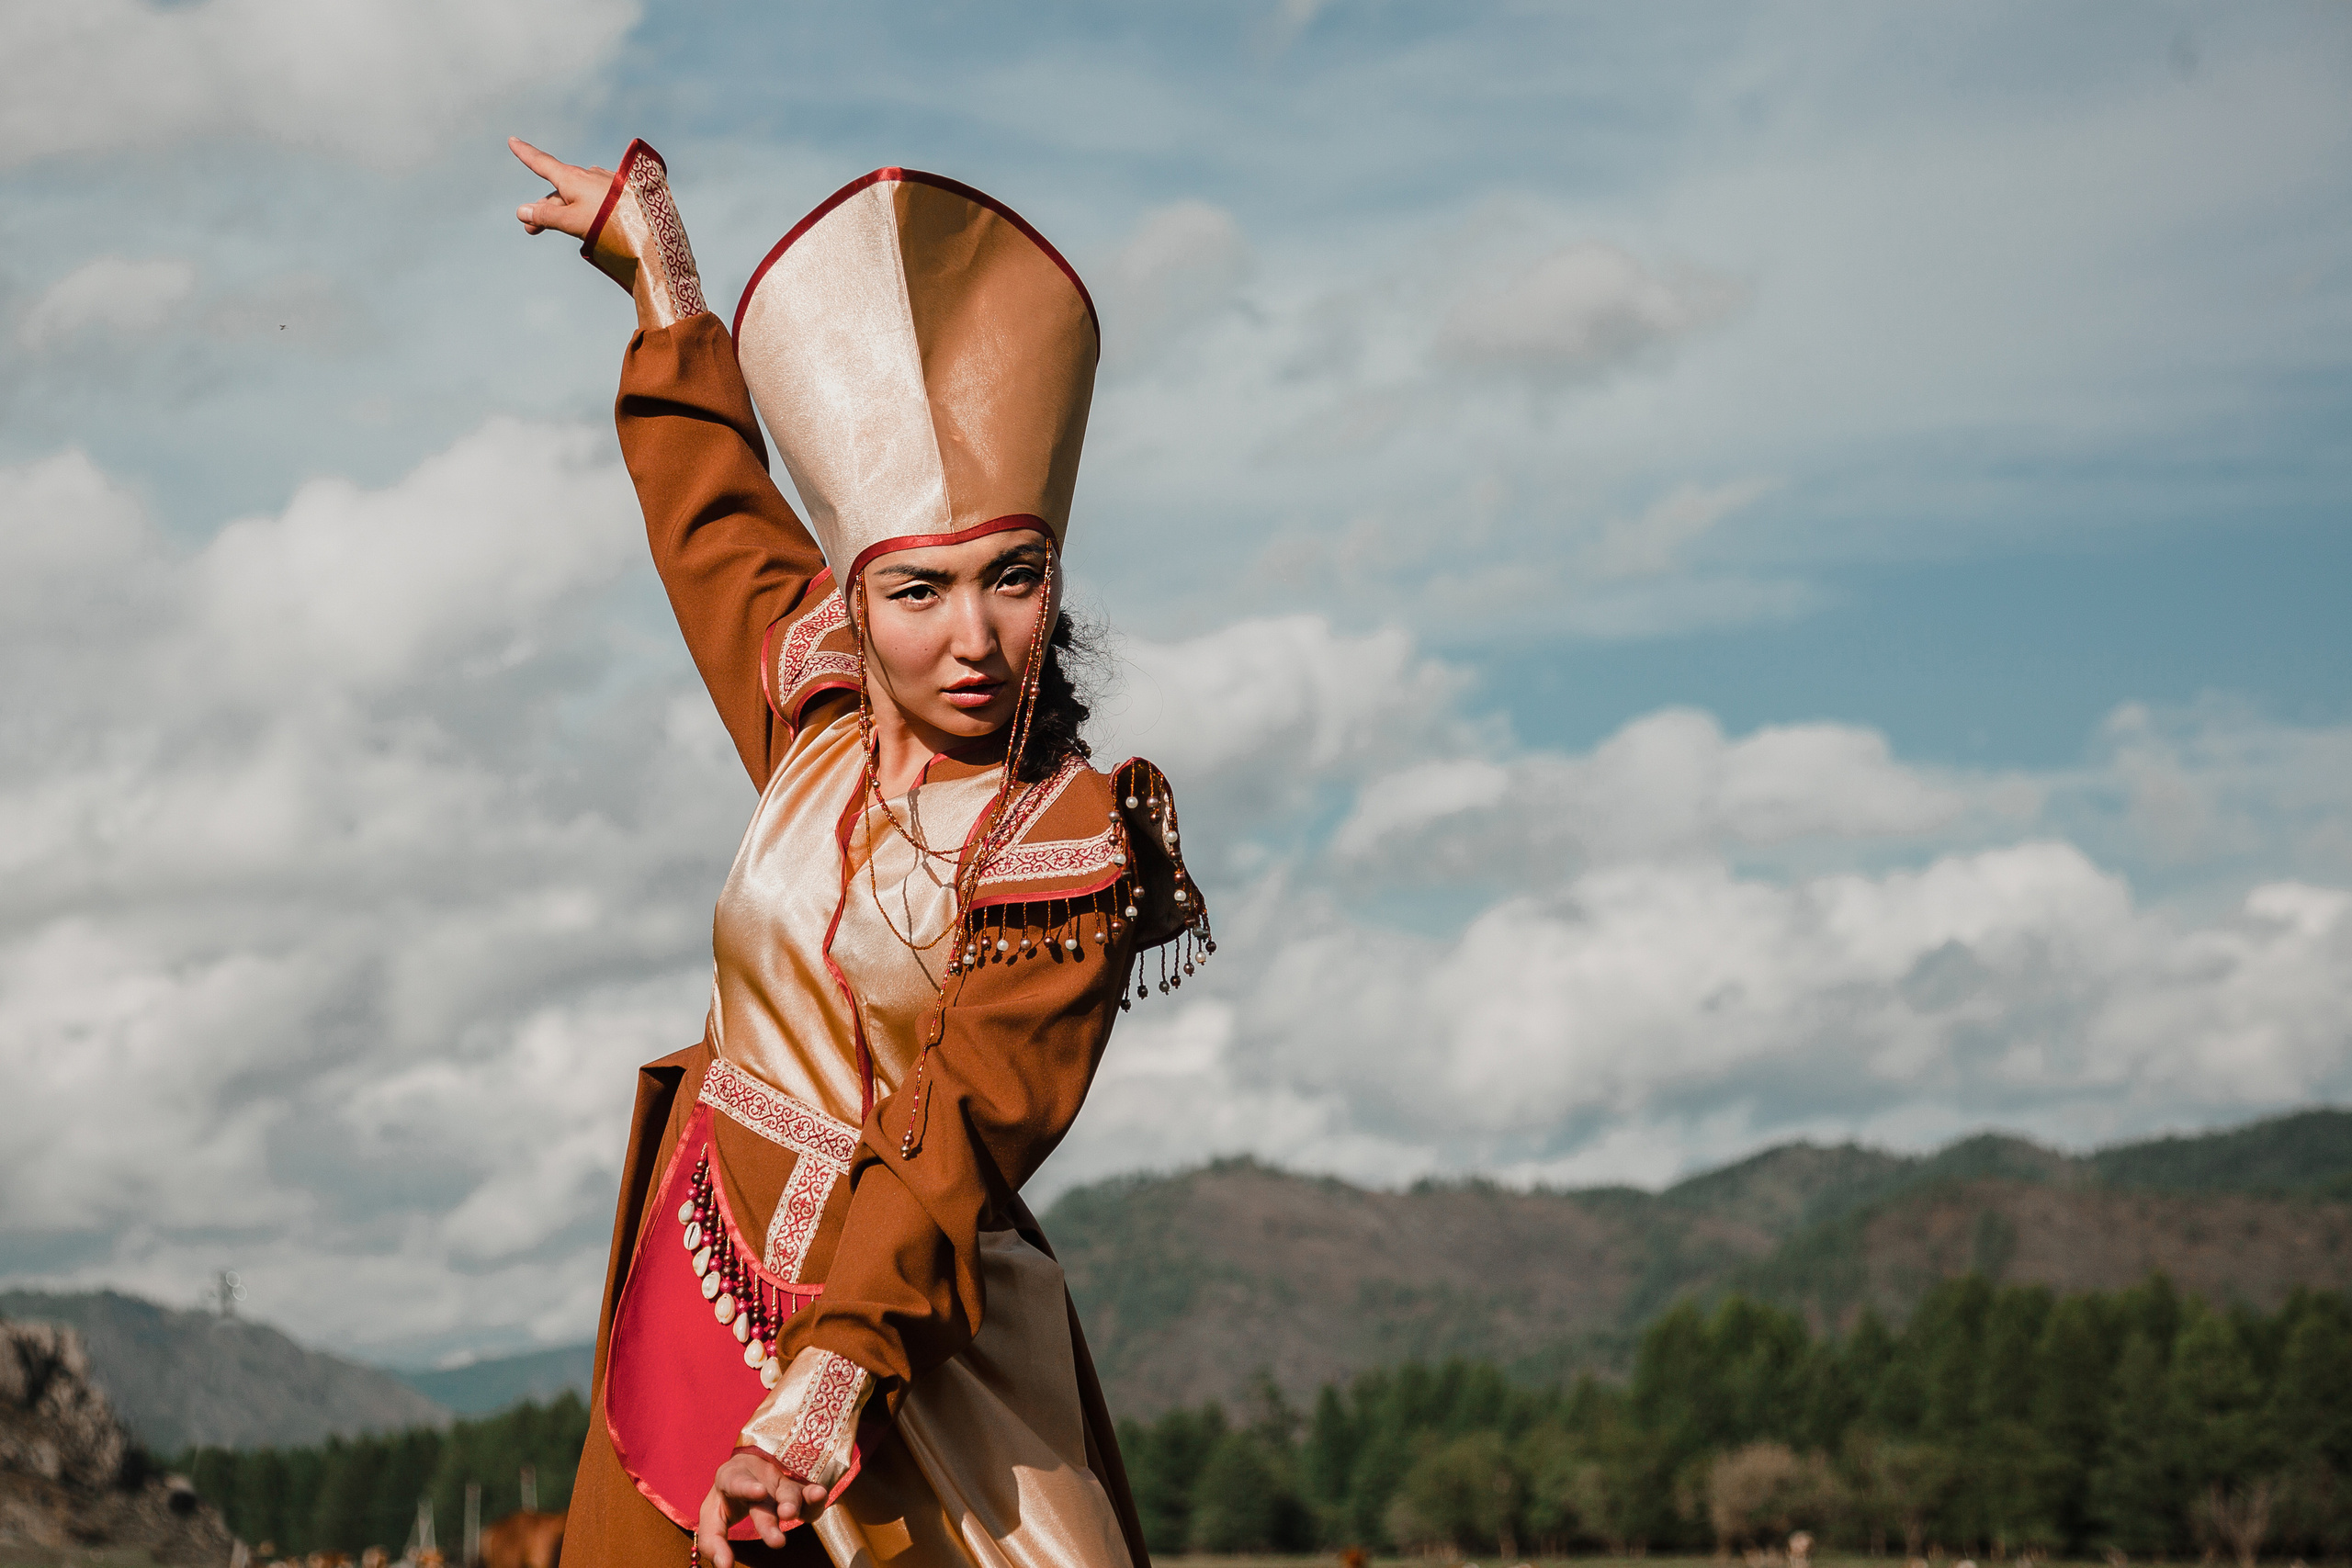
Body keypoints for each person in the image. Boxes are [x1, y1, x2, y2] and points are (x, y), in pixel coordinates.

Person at [508, 136, 1212, 1568]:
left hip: (919, 1331)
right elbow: (717, 523)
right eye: (918, 590)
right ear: (855, 592)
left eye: (1014, 578)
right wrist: (659, 272)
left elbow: (954, 1150)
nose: (972, 638)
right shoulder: (814, 723)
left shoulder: (1063, 845)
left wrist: (820, 1400)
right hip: (704, 1282)